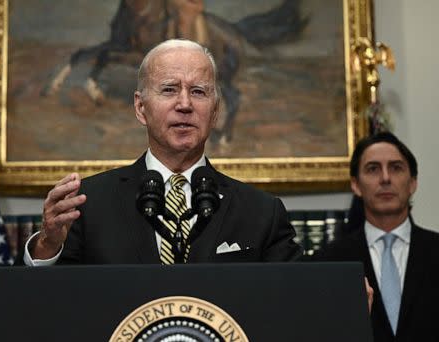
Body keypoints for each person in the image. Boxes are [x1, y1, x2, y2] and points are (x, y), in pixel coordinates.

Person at [24, 38, 301, 265]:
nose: (184, 104)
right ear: (140, 107)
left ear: (215, 111)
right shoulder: (87, 206)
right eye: (169, 90)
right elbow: (47, 309)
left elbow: (291, 305)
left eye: (198, 92)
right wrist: (48, 244)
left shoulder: (262, 213)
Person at [317, 132, 439, 341]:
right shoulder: (328, 261)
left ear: (413, 183)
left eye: (396, 168)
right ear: (355, 184)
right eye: (373, 169)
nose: (385, 178)